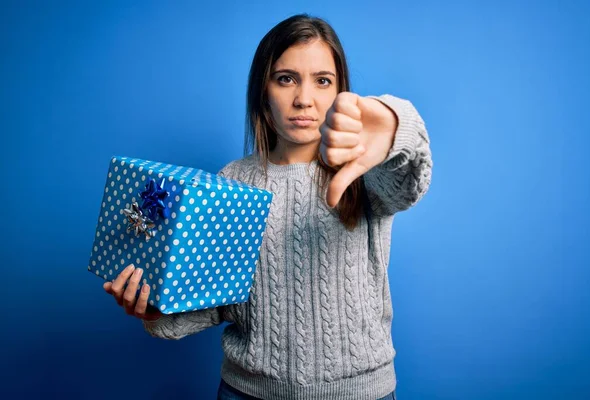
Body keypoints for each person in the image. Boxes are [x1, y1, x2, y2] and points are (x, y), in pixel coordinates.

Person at [102, 13, 432, 400]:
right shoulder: (232, 182)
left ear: (341, 90)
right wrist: (155, 309)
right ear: (264, 90)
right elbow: (215, 301)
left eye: (322, 81)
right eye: (286, 78)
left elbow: (409, 177)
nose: (304, 99)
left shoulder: (366, 171)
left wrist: (395, 124)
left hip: (362, 393)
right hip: (247, 393)